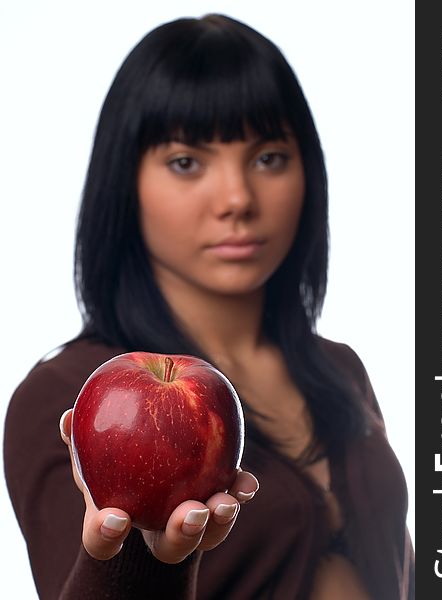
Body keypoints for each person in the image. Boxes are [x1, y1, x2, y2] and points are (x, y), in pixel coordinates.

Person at [3, 13, 414, 600]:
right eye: (186, 162)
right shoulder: (68, 397)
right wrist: (145, 559)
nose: (238, 199)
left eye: (269, 157)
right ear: (126, 183)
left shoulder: (339, 371)